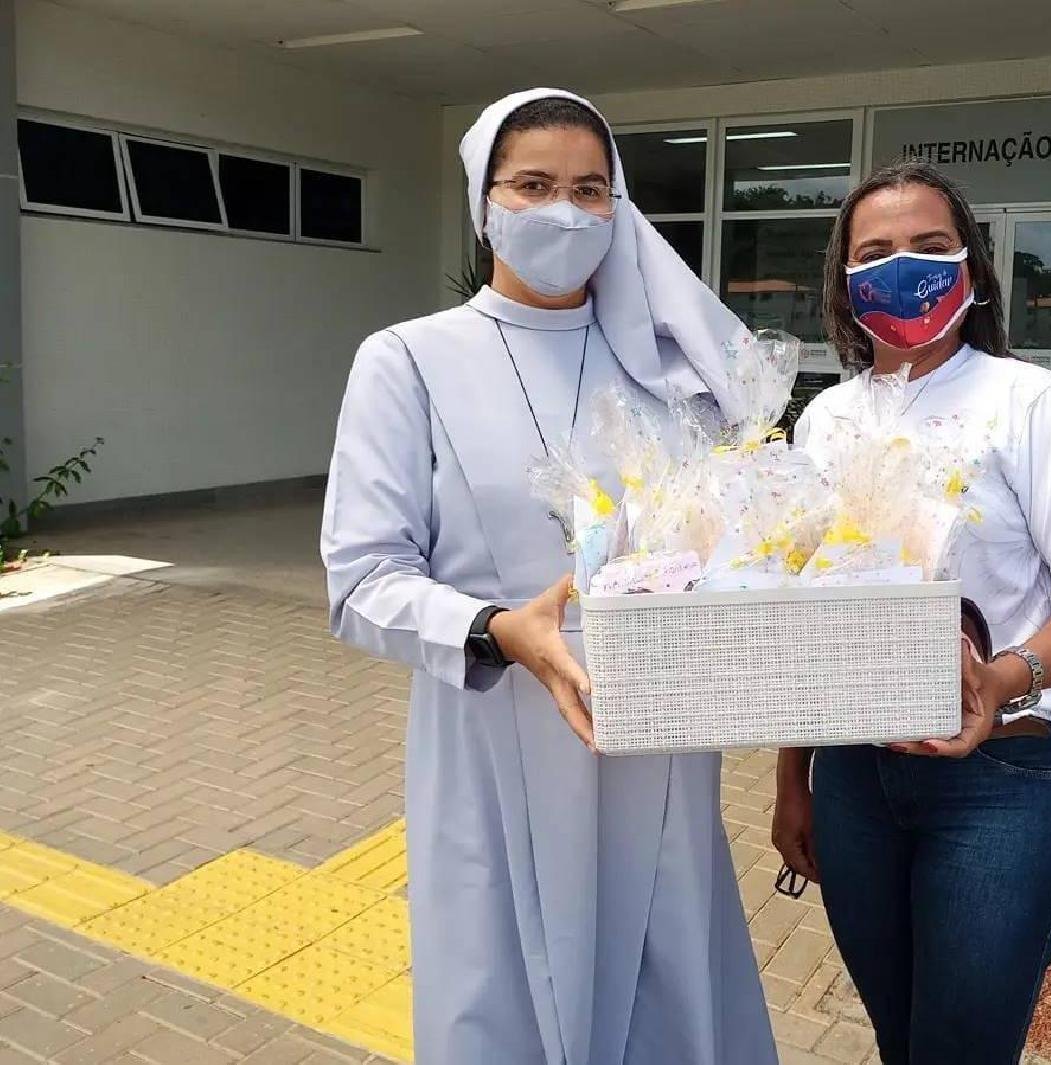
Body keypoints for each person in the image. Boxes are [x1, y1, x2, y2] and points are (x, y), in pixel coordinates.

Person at [321, 89, 775, 1065]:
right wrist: (495, 630)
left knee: (666, 980)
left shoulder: (667, 373)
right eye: (532, 186)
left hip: (654, 744)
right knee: (505, 992)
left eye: (589, 190)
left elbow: (731, 542)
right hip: (497, 735)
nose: (563, 213)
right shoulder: (407, 361)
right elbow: (359, 578)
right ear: (483, 203)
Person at [771, 159, 1051, 1065]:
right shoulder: (824, 419)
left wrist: (1001, 682)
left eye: (930, 247)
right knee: (903, 1040)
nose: (904, 267)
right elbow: (805, 614)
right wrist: (795, 777)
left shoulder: (1029, 403)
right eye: (876, 252)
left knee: (962, 1048)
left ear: (970, 268)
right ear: (844, 280)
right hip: (856, 780)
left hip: (1005, 778)